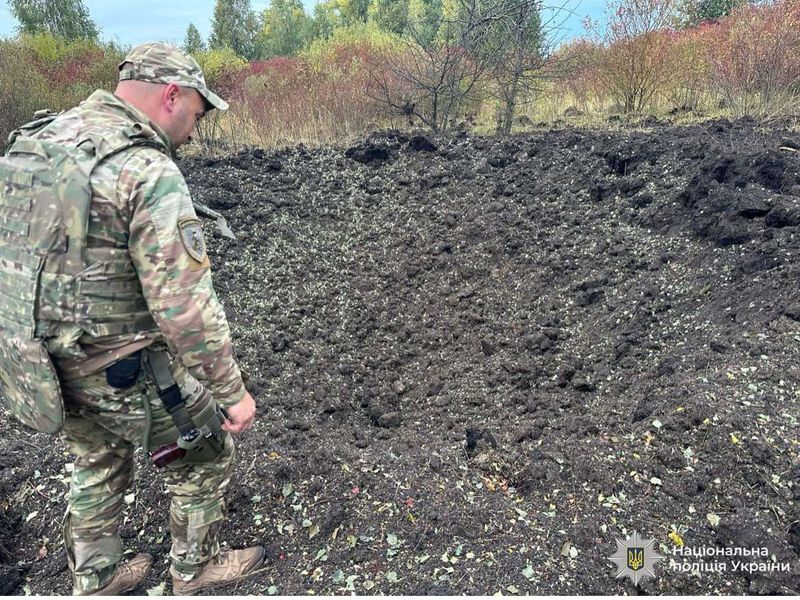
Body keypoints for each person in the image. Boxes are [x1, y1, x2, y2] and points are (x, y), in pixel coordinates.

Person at [0, 42, 263, 595]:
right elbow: (184, 307)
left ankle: (96, 579)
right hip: (119, 366)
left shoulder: (39, 141)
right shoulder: (144, 168)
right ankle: (194, 570)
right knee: (206, 452)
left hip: (40, 363)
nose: (193, 131)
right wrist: (230, 391)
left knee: (96, 457)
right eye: (197, 113)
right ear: (172, 95)